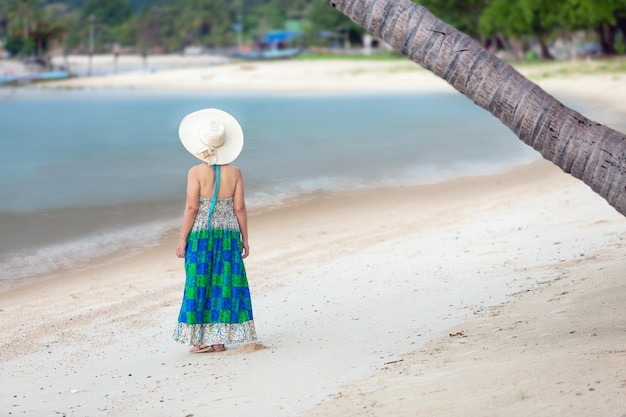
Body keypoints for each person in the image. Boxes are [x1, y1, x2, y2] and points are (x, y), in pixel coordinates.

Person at [172, 108, 257, 353]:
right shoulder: (236, 173)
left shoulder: (196, 172)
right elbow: (239, 208)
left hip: (201, 234)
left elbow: (191, 207)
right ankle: (218, 339)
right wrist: (245, 238)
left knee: (198, 283)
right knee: (224, 284)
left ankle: (200, 341)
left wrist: (181, 239)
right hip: (229, 235)